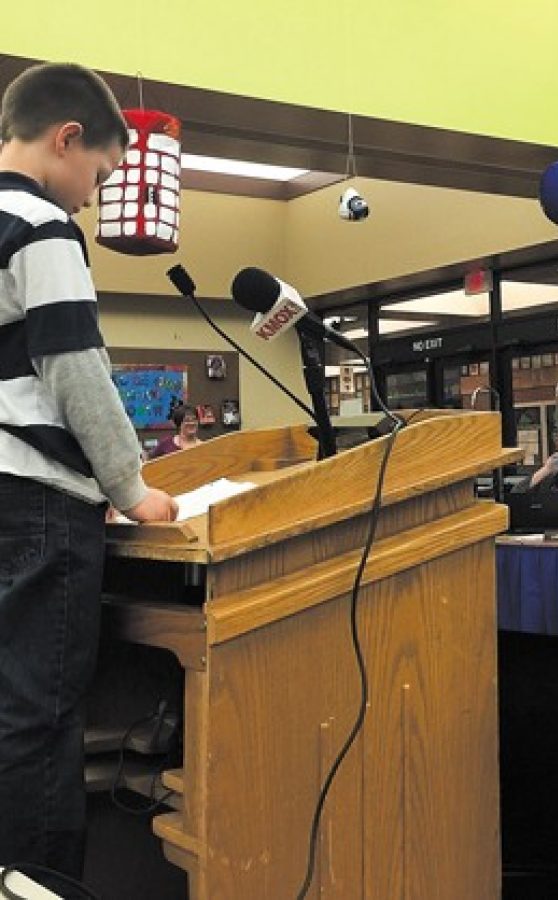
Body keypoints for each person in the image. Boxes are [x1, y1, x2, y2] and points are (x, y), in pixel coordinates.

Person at [0, 62, 178, 887]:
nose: (90, 197)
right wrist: (130, 487)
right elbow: (74, 366)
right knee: (40, 721)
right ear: (65, 139)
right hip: (37, 501)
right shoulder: (39, 223)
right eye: (99, 176)